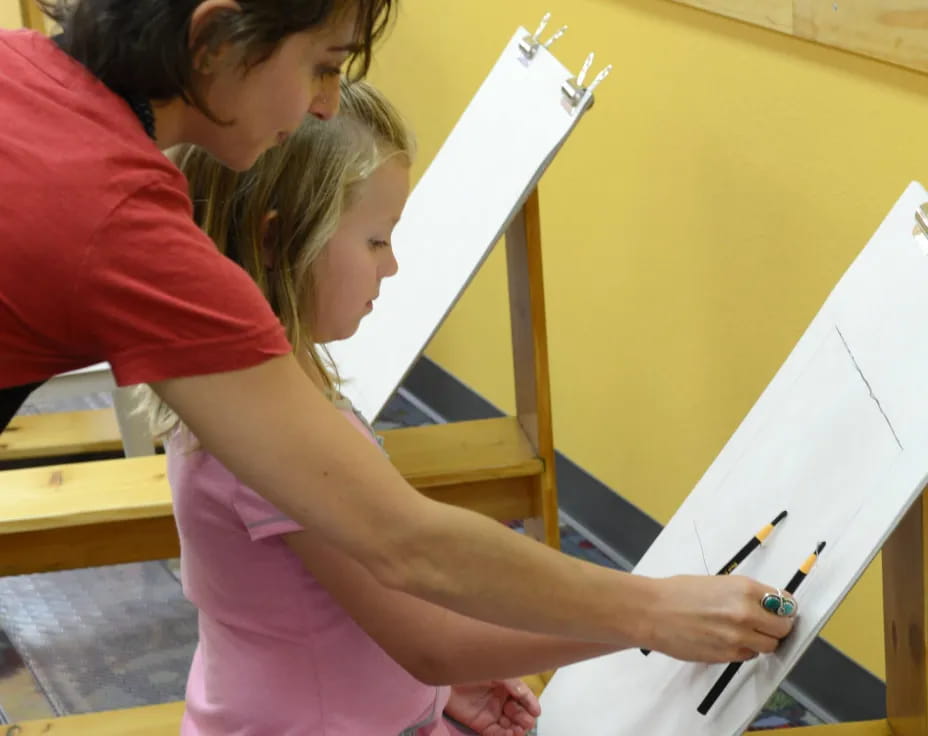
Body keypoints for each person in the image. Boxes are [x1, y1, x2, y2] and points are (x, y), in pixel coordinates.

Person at [0, 0, 795, 663]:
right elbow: (404, 542)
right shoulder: (124, 224)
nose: (323, 103)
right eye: (321, 63)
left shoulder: (22, 64)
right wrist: (651, 612)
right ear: (216, 41)